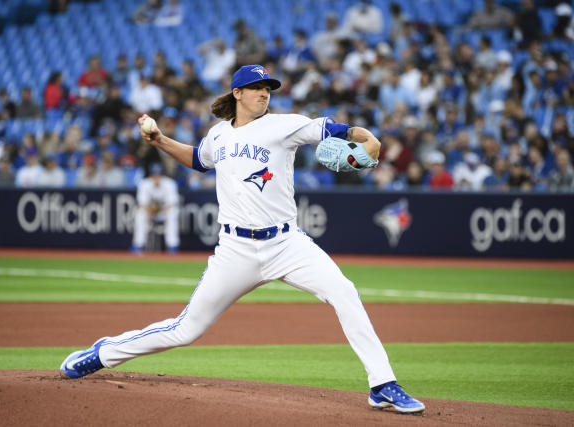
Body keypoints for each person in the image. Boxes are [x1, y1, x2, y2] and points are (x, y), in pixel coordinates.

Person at [59, 64, 425, 414]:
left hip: (286, 244)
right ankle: (104, 353)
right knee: (186, 329)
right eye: (257, 89)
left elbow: (341, 130)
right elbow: (199, 159)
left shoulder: (285, 126)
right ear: (237, 93)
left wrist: (370, 139)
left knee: (344, 291)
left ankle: (382, 385)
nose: (264, 94)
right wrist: (160, 140)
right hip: (235, 250)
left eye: (268, 89)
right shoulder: (219, 133)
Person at [131, 163, 180, 253]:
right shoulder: (144, 183)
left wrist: (159, 210)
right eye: (154, 174)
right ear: (151, 175)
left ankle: (173, 245)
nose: (156, 177)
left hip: (164, 212)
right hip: (149, 212)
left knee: (173, 213)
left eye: (158, 174)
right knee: (139, 214)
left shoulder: (169, 183)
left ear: (162, 174)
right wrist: (151, 212)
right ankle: (138, 245)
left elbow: (172, 204)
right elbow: (142, 204)